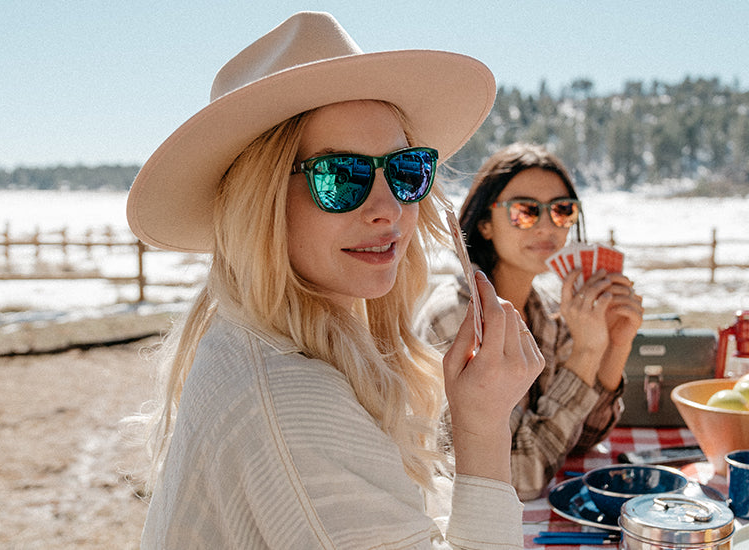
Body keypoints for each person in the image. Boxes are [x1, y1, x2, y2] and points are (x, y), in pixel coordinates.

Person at [126, 12, 543, 549]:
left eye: (404, 170)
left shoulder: (264, 344)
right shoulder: (290, 398)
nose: (387, 208)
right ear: (260, 201)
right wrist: (484, 428)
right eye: (339, 176)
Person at [416, 143, 644, 500]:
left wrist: (615, 346)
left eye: (562, 211)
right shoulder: (456, 318)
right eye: (525, 211)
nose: (546, 226)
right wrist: (586, 352)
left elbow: (581, 439)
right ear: (485, 224)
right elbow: (518, 478)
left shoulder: (547, 312)